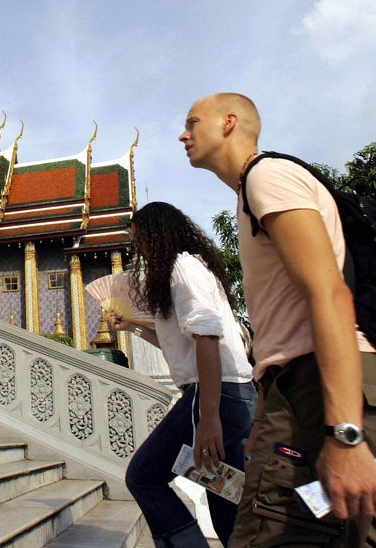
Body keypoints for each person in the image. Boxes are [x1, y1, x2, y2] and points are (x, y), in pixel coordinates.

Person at [179, 93, 376, 547]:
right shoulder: (252, 192)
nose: (183, 134)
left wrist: (345, 434)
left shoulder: (267, 177)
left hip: (325, 390)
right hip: (320, 391)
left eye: (193, 122)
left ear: (228, 123)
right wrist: (267, 410)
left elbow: (329, 294)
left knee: (267, 534)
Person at [107, 202, 255, 548]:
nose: (137, 248)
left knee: (143, 476)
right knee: (225, 496)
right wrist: (132, 326)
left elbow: (207, 338)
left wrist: (208, 417)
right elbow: (184, 348)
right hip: (226, 392)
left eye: (139, 238)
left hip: (217, 393)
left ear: (156, 236)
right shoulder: (185, 270)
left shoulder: (182, 269)